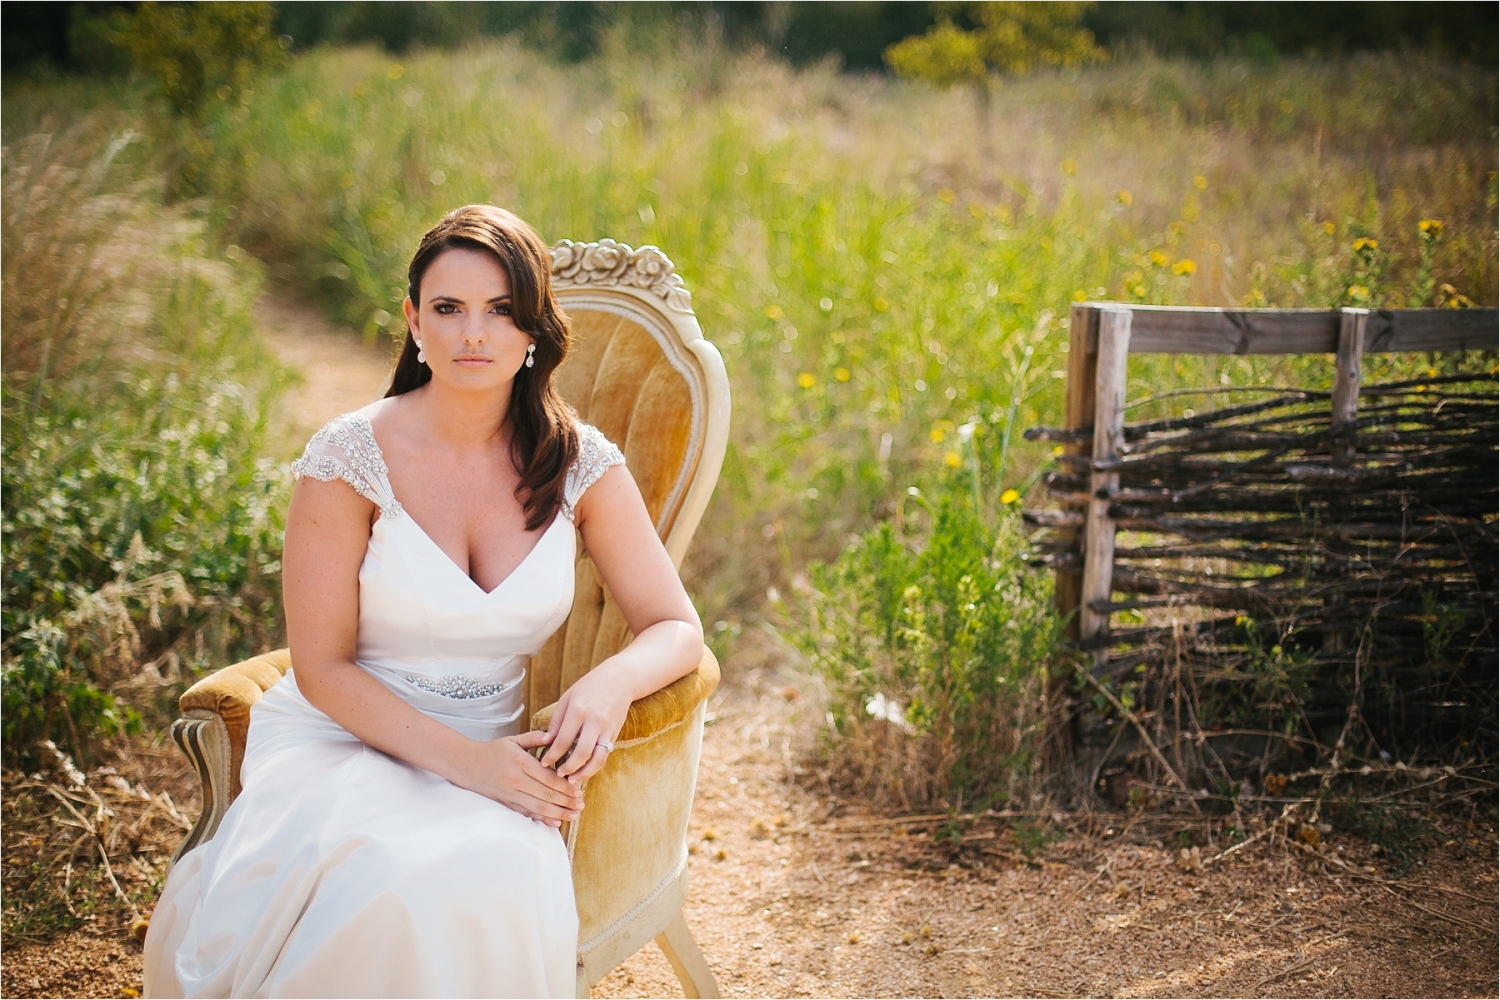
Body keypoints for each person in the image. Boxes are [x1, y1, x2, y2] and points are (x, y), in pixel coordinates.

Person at [143, 205, 705, 998]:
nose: (473, 334)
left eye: (500, 310)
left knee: (487, 873)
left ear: (534, 330)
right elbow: (323, 667)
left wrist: (610, 683)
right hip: (346, 739)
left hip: (497, 749)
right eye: (448, 308)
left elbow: (676, 625)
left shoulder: (581, 464)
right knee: (386, 880)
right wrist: (475, 768)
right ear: (413, 321)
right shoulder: (348, 457)